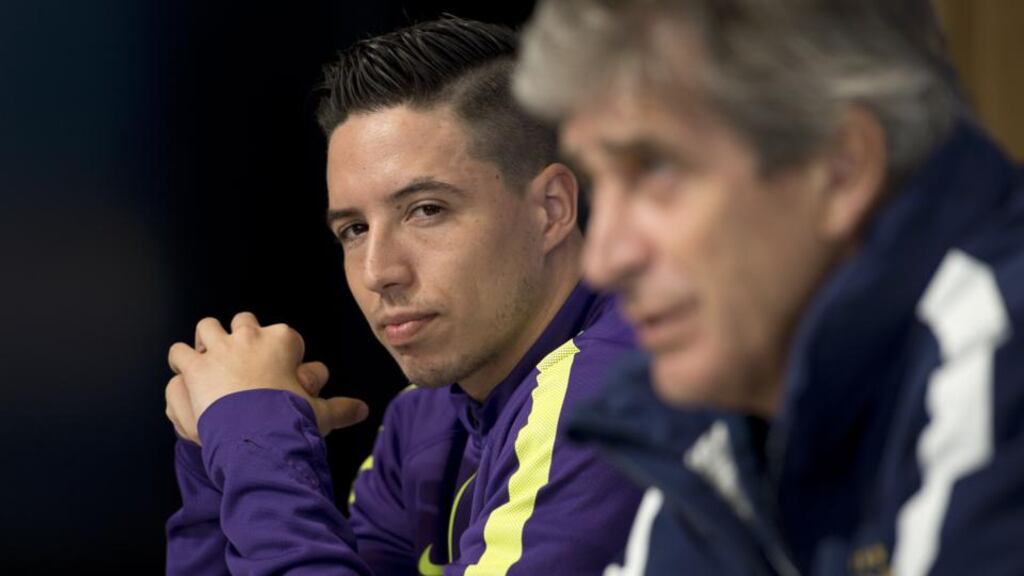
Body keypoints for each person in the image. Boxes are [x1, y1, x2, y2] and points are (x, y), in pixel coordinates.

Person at [514, 0, 1024, 574]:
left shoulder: (1003, 346)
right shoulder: (711, 417)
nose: (604, 259)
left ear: (840, 168)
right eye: (598, 183)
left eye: (655, 169)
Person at [163, 17, 643, 575]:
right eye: (354, 229)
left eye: (426, 210)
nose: (378, 272)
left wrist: (257, 445)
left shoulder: (613, 396)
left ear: (551, 209)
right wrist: (214, 454)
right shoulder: (426, 418)